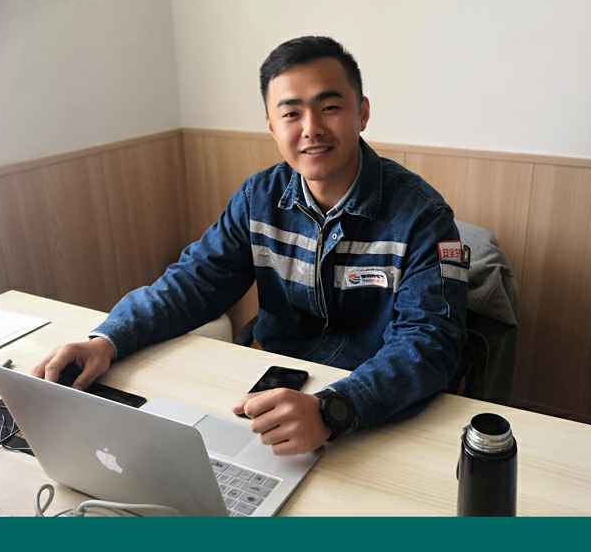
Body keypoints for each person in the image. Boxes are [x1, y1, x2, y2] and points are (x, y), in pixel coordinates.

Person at [33, 36, 468, 455]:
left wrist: (334, 410)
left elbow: (429, 340)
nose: (312, 129)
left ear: (362, 113)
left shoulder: (423, 216)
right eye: (291, 113)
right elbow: (194, 281)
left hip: (372, 411)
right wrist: (108, 339)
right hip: (272, 391)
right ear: (272, 126)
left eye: (330, 108)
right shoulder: (258, 198)